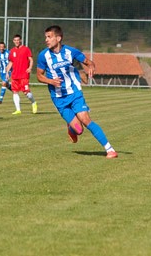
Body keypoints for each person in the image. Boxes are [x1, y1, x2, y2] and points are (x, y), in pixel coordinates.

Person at [36, 25, 118, 159]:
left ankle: (110, 149)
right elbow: (39, 75)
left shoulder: (70, 52)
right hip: (58, 98)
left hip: (74, 93)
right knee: (79, 130)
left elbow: (88, 62)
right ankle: (71, 128)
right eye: (45, 37)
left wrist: (91, 67)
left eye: (49, 37)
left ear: (58, 38)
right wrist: (50, 81)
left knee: (86, 119)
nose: (46, 40)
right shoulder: (43, 56)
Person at [6, 34, 38, 115]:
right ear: (13, 41)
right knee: (15, 92)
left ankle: (34, 102)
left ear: (20, 40)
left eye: (18, 40)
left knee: (26, 93)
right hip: (15, 75)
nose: (16, 41)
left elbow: (31, 59)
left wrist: (30, 68)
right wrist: (7, 72)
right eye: (15, 40)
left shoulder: (26, 49)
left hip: (24, 75)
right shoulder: (12, 51)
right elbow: (11, 62)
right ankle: (18, 110)